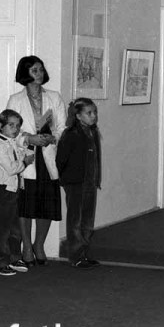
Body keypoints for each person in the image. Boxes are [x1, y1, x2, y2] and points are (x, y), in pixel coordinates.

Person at [7, 56, 66, 266]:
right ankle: (26, 246)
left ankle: (39, 245)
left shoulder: (54, 97)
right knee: (25, 205)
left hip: (48, 157)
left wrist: (52, 137)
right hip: (27, 157)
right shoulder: (15, 99)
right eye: (34, 70)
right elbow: (9, 131)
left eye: (41, 69)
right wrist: (29, 139)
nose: (39, 74)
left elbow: (62, 127)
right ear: (25, 73)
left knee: (46, 204)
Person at [0, 110, 35, 276]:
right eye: (11, 125)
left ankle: (14, 258)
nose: (16, 129)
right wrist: (25, 162)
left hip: (14, 189)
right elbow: (11, 168)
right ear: (0, 126)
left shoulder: (12, 142)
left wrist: (24, 152)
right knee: (2, 228)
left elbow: (21, 154)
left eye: (18, 126)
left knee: (15, 227)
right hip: (2, 190)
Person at [56, 98, 101, 270]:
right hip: (75, 184)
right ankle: (76, 256)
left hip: (90, 182)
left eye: (94, 112)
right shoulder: (71, 134)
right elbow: (61, 159)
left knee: (87, 220)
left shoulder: (93, 132)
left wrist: (96, 178)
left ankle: (84, 253)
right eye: (89, 113)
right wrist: (67, 179)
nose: (93, 116)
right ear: (78, 116)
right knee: (75, 220)